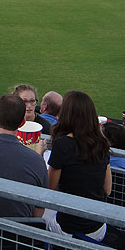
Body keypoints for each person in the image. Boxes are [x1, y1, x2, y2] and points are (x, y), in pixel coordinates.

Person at [46, 90, 111, 241]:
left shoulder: (62, 144)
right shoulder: (101, 143)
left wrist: (38, 153)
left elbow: (50, 188)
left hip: (69, 229)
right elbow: (107, 189)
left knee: (38, 213)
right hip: (98, 228)